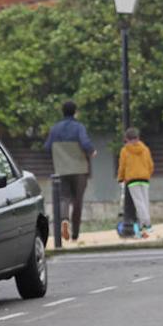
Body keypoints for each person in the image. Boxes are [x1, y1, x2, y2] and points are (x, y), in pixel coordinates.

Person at [44, 100, 95, 241]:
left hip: (62, 169)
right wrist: (91, 151)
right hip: (79, 170)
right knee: (78, 201)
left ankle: (64, 221)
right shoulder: (79, 127)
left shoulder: (55, 129)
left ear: (63, 112)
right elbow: (85, 143)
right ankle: (75, 234)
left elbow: (47, 147)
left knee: (64, 198)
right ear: (75, 112)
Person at [117, 128, 155, 237]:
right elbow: (150, 164)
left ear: (126, 139)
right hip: (145, 178)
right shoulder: (145, 149)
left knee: (139, 203)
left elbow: (122, 166)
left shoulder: (125, 150)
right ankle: (146, 223)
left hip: (132, 180)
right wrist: (148, 174)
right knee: (145, 201)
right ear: (138, 138)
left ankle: (146, 224)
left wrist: (120, 178)